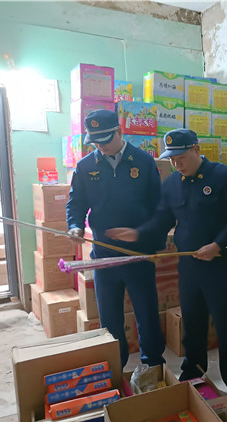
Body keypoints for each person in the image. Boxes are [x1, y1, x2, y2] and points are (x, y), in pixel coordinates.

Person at [106, 128, 227, 410]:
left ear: (196, 150)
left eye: (181, 157)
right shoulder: (172, 183)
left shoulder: (223, 176)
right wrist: (138, 234)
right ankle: (193, 375)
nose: (176, 164)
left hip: (219, 267)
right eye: (171, 159)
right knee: (192, 326)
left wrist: (218, 245)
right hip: (189, 269)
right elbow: (162, 220)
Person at [66, 109, 166, 369]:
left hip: (138, 255)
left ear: (120, 132)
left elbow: (159, 208)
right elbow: (76, 203)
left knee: (147, 315)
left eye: (105, 140)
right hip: (104, 256)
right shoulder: (86, 166)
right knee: (109, 319)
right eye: (95, 142)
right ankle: (115, 368)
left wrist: (148, 238)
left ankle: (153, 366)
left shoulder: (143, 162)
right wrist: (75, 227)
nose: (100, 146)